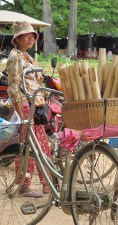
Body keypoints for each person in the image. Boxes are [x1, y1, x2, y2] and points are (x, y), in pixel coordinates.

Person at [7, 21, 50, 198]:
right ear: (17, 38)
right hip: (25, 106)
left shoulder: (27, 57)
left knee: (42, 147)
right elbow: (13, 86)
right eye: (26, 35)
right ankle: (24, 186)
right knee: (29, 148)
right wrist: (20, 112)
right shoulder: (14, 57)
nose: (31, 37)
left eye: (32, 35)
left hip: (35, 105)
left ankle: (47, 183)